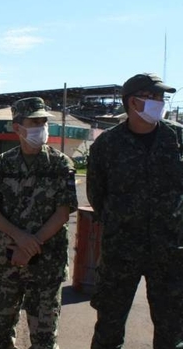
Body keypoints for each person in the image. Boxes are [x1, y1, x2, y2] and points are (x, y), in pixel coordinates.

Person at [87, 73, 183, 348]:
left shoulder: (177, 137)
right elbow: (97, 194)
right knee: (109, 328)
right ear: (134, 102)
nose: (160, 103)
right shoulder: (107, 145)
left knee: (172, 332)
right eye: (153, 97)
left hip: (170, 251)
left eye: (161, 98)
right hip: (121, 251)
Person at [0, 97, 77, 348]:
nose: (41, 126)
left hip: (46, 263)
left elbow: (63, 212)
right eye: (34, 121)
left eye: (43, 121)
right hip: (7, 262)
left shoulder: (60, 164)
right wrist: (20, 238)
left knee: (44, 339)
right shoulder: (1, 165)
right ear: (17, 127)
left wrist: (30, 245)